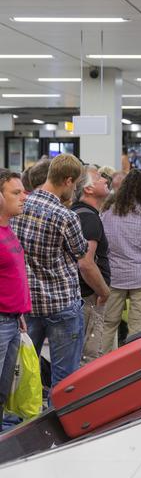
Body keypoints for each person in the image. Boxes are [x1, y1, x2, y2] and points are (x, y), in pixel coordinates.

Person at [12, 154, 88, 388]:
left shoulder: (20, 205)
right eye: (75, 184)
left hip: (28, 304)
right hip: (61, 303)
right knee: (65, 378)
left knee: (24, 371)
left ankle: (22, 420)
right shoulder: (66, 216)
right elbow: (81, 251)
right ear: (67, 180)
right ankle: (60, 420)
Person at [101, 170, 141, 352]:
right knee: (138, 328)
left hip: (114, 276)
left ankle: (101, 367)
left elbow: (101, 243)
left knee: (107, 325)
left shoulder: (107, 210)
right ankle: (133, 366)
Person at [71, 167, 111, 365]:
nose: (105, 179)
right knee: (88, 354)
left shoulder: (78, 213)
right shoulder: (89, 218)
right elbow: (86, 263)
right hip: (89, 296)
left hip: (80, 295)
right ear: (87, 189)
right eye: (98, 178)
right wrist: (104, 291)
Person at [0, 170, 29, 428]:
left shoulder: (8, 229)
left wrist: (18, 311)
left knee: (3, 387)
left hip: (11, 320)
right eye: (16, 193)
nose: (24, 197)